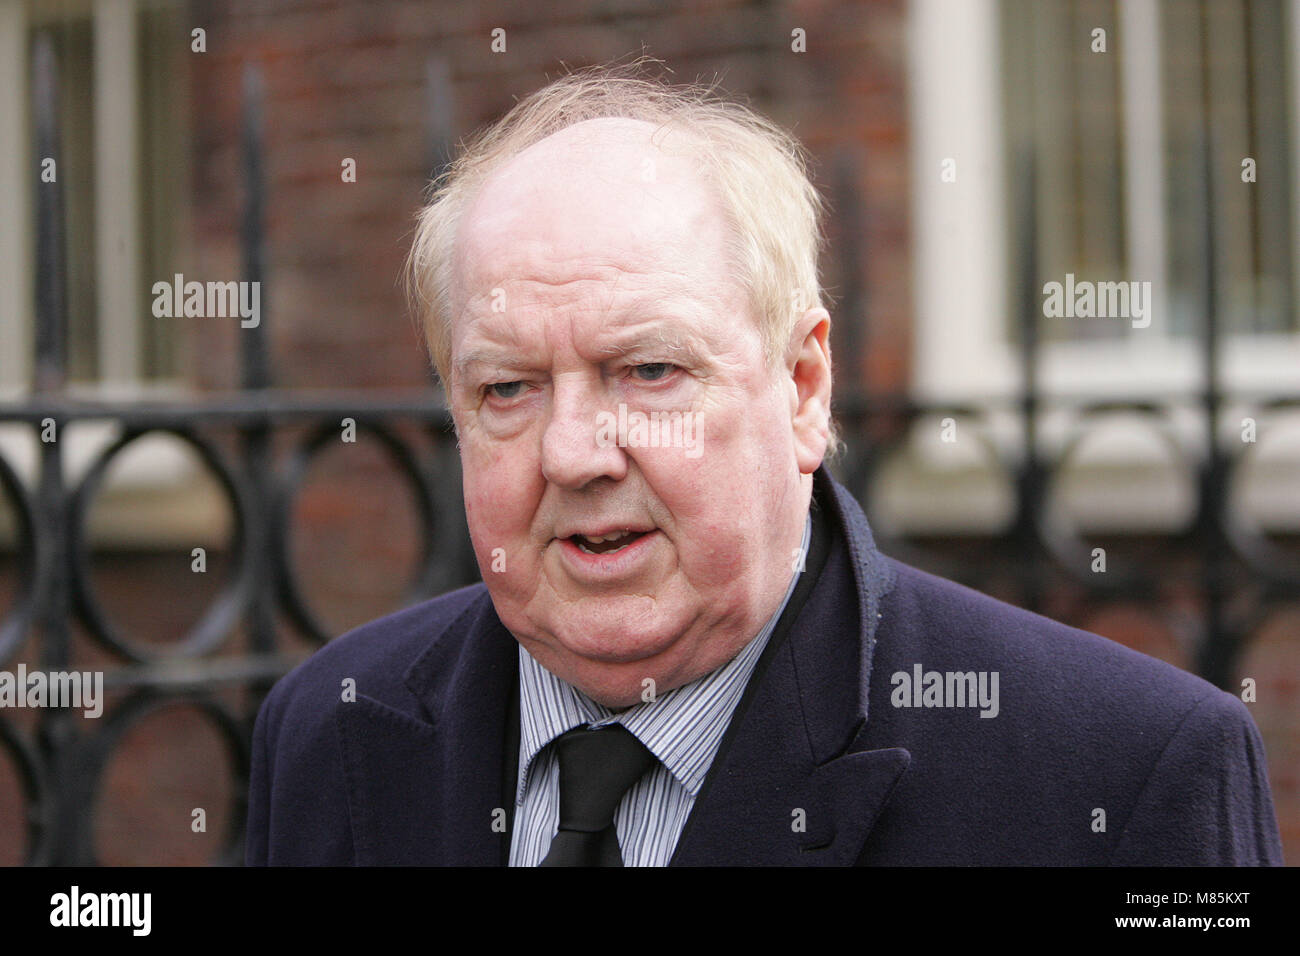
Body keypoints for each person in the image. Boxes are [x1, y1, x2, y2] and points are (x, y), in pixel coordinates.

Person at [245, 64, 1283, 866]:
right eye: (506, 388)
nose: (572, 452)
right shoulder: (328, 729)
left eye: (648, 370)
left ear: (801, 386)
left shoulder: (1126, 776)